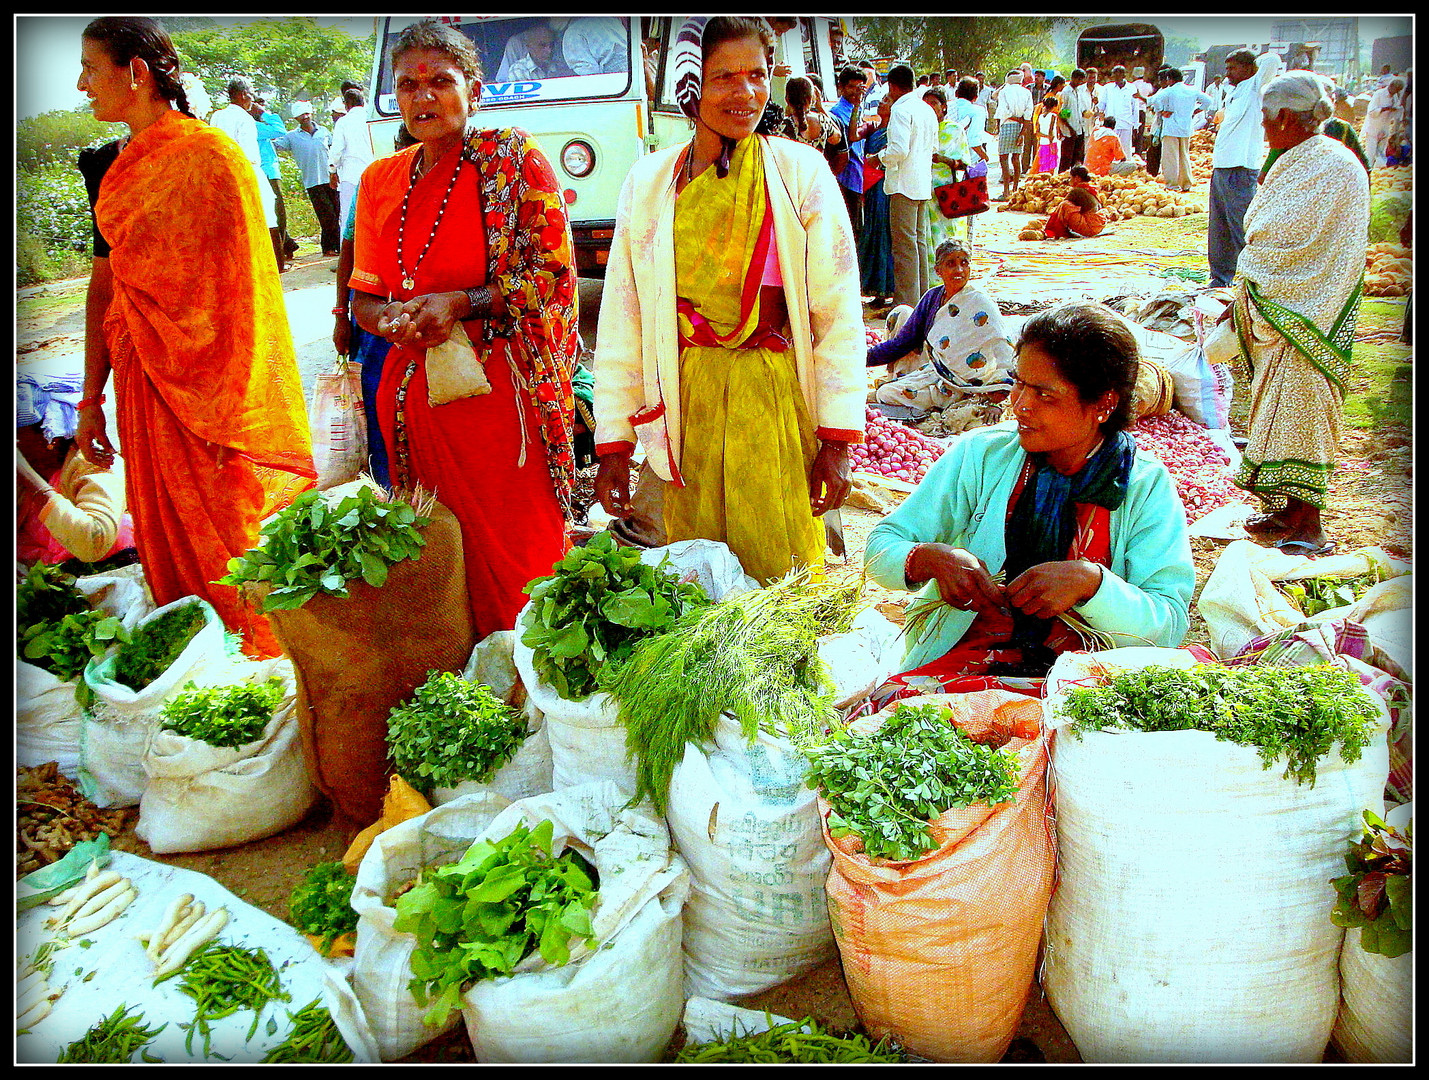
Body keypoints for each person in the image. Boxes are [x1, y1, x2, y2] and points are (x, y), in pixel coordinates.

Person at [592, 16, 865, 585]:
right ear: (691, 82)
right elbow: (625, 316)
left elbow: (836, 312)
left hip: (773, 399)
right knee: (696, 578)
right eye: (724, 77)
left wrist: (837, 438)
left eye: (757, 76)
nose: (745, 94)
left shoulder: (799, 173)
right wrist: (613, 441)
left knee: (780, 580)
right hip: (686, 401)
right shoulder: (649, 183)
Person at [73, 17, 315, 657]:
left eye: (91, 69)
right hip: (143, 379)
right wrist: (90, 398)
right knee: (165, 527)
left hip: (217, 386)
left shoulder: (211, 156)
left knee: (231, 524)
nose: (80, 84)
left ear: (136, 73)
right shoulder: (104, 165)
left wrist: (217, 376)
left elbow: (243, 292)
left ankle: (263, 658)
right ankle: (198, 657)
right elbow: (106, 285)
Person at [346, 21, 578, 637]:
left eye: (440, 82)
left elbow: (552, 277)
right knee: (435, 549)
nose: (424, 98)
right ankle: (460, 668)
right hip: (410, 397)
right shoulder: (379, 181)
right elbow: (363, 298)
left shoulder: (512, 160)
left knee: (515, 552)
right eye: (408, 85)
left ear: (473, 89)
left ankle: (532, 666)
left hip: (500, 402)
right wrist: (391, 321)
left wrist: (463, 301)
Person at [862, 301, 1193, 706]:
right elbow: (881, 546)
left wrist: (1093, 585)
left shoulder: (1144, 486)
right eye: (1018, 383)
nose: (1020, 404)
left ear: (1103, 405)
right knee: (893, 711)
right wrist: (927, 558)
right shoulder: (982, 456)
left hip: (1088, 682)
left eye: (1044, 394)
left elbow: (1170, 623)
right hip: (970, 659)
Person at [1227, 72, 1370, 556]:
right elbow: (1272, 226)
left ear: (1287, 117)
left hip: (1313, 308)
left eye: (1267, 120)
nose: (1264, 131)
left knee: (1305, 410)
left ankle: (1310, 524)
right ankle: (1288, 509)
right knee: (1281, 409)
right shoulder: (1306, 159)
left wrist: (1251, 274)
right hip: (1294, 302)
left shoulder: (1329, 164)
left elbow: (1283, 238)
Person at [867, 239, 1015, 433]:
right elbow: (904, 342)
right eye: (951, 263)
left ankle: (922, 398)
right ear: (938, 271)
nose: (959, 270)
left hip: (959, 382)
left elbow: (1001, 350)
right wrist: (863, 358)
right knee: (900, 313)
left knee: (886, 393)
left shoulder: (978, 303)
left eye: (964, 263)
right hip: (934, 366)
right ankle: (908, 384)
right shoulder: (933, 296)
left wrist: (997, 399)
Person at [17, 369, 135, 568]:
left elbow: (93, 542)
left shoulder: (94, 464)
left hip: (122, 573)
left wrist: (25, 472)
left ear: (50, 435)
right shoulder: (33, 481)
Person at [1208, 49, 1282, 287]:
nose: (1228, 73)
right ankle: (1221, 277)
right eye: (1227, 68)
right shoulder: (1235, 92)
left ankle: (1252, 278)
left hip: (1240, 168)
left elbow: (1272, 60)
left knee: (1242, 226)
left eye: (1233, 68)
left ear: (1249, 68)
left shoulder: (1256, 87)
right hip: (1222, 166)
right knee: (1219, 228)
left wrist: (1253, 65)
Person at [877, 63, 939, 311]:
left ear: (892, 86)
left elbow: (898, 150)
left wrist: (880, 157)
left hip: (903, 184)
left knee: (904, 247)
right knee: (919, 243)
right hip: (922, 182)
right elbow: (933, 149)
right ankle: (923, 298)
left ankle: (906, 304)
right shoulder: (927, 110)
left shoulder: (901, 111)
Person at [210, 76, 284, 270]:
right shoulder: (244, 118)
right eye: (251, 95)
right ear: (243, 96)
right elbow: (249, 154)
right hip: (246, 170)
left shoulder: (217, 116)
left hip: (222, 173)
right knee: (267, 215)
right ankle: (274, 264)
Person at [274, 101, 340, 257]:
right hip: (312, 181)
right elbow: (275, 146)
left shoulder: (323, 131)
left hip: (330, 177)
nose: (305, 117)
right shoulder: (291, 137)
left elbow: (334, 149)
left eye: (307, 114)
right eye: (301, 115)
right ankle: (331, 248)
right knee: (326, 215)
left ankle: (331, 247)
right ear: (296, 118)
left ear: (311, 114)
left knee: (336, 213)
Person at [829, 64, 877, 249]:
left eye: (859, 88)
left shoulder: (858, 110)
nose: (855, 92)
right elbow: (850, 138)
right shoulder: (836, 113)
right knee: (849, 231)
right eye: (851, 87)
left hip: (858, 176)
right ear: (841, 88)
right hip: (846, 177)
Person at [251, 94, 299, 266]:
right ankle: (281, 253)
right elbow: (280, 130)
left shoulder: (258, 126)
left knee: (276, 214)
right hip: (268, 173)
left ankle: (287, 246)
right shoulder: (255, 126)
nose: (263, 108)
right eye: (259, 105)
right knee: (278, 214)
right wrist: (264, 114)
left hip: (269, 171)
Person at [924, 85, 972, 253]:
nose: (929, 107)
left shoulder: (954, 130)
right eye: (926, 104)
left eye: (933, 103)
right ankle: (932, 276)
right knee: (928, 237)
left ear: (943, 106)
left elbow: (964, 163)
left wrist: (942, 159)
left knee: (948, 236)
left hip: (948, 194)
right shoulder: (921, 129)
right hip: (925, 194)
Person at [1148, 68, 1214, 192]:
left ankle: (1172, 184)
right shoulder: (1192, 90)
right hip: (1186, 128)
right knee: (1184, 155)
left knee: (1170, 157)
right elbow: (1208, 100)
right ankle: (1186, 183)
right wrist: (1198, 110)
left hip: (1171, 128)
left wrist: (1161, 111)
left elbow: (1155, 100)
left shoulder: (1169, 91)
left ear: (1169, 79)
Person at [858, 99, 896, 309]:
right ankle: (874, 288)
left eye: (887, 100)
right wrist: (856, 106)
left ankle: (886, 288)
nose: (882, 102)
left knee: (883, 235)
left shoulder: (893, 131)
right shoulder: (873, 128)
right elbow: (854, 135)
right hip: (871, 188)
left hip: (883, 187)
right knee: (871, 234)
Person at [329, 86, 374, 236]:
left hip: (351, 175)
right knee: (373, 214)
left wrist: (332, 172)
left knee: (349, 216)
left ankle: (348, 256)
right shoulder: (371, 117)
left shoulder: (343, 122)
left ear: (347, 104)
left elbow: (336, 150)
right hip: (373, 173)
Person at [993, 70, 1033, 199]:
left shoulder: (1005, 91)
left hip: (1007, 125)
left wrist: (1017, 119)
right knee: (1016, 159)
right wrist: (1022, 130)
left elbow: (1004, 111)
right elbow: (1028, 113)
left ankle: (1006, 192)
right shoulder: (1027, 92)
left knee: (1004, 159)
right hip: (1021, 127)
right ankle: (1015, 191)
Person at [495, 22, 576, 82]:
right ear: (529, 47)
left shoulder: (560, 66)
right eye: (542, 45)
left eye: (551, 45)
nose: (549, 50)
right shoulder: (519, 70)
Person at [1361, 77, 1405, 166]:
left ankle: (1378, 171)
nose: (1395, 93)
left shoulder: (1394, 96)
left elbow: (1395, 113)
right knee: (1371, 153)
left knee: (1381, 151)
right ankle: (1368, 170)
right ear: (1391, 86)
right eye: (1395, 90)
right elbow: (1371, 112)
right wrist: (1385, 109)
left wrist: (1396, 110)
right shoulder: (1379, 94)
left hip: (1385, 126)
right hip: (1374, 126)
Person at [1100, 66, 1138, 159]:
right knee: (1110, 149)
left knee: (1125, 150)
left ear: (1124, 75)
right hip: (1111, 125)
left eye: (1119, 75)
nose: (1116, 77)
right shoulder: (1107, 88)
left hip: (1126, 124)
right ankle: (1111, 171)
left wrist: (1135, 126)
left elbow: (1135, 108)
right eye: (1114, 75)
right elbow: (1102, 105)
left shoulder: (1132, 88)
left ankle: (1126, 170)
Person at [1061, 68, 1094, 169]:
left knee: (1078, 157)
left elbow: (1081, 110)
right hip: (1069, 131)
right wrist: (1070, 129)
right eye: (1079, 80)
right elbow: (1062, 113)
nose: (1080, 82)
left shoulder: (1079, 91)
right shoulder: (1066, 92)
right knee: (1067, 158)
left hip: (1080, 129)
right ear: (1073, 78)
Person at [1033, 93, 1065, 174]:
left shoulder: (1040, 116)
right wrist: (1050, 142)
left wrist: (1045, 137)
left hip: (1042, 143)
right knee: (1051, 166)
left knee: (1043, 165)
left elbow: (1037, 132)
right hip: (1051, 143)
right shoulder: (1053, 116)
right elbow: (1051, 131)